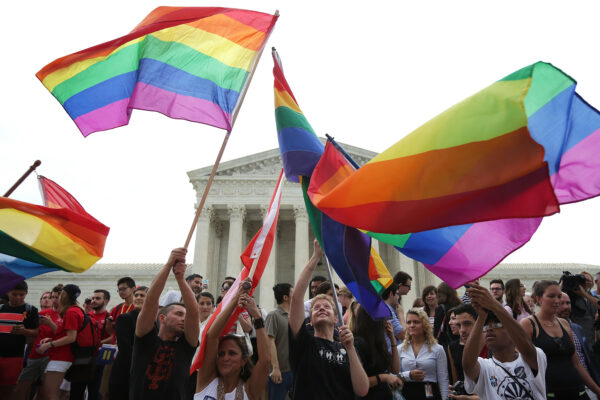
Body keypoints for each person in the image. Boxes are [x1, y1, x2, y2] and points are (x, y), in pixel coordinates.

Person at [289, 239, 369, 399]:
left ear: (335, 319)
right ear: (310, 320)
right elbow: (296, 299)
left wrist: (351, 349)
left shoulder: (346, 348)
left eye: (327, 307)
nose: (321, 309)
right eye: (316, 308)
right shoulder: (305, 343)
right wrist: (315, 256)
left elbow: (362, 389)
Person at [130, 248, 199, 400]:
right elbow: (151, 301)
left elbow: (194, 312)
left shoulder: (186, 346)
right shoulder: (144, 339)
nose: (184, 319)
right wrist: (168, 265)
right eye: (179, 314)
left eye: (185, 316)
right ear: (162, 318)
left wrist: (181, 279)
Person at [463, 283, 547, 400]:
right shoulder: (485, 367)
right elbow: (468, 365)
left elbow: (527, 348)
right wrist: (481, 316)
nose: (490, 329)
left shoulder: (536, 356)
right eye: (486, 327)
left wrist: (494, 305)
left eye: (497, 325)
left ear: (512, 331)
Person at [521, 280, 600, 399]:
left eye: (559, 296)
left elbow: (577, 364)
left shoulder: (564, 324)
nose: (557, 301)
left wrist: (597, 390)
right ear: (538, 299)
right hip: (550, 393)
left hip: (577, 390)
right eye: (551, 296)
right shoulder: (529, 324)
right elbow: (520, 360)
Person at [195, 279, 270, 400]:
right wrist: (235, 299)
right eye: (221, 354)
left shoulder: (249, 390)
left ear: (244, 360)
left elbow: (265, 360)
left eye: (232, 353)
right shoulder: (206, 381)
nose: (225, 358)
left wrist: (257, 316)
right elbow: (211, 337)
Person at [14, 285, 62, 400]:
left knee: (44, 392)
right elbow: (29, 330)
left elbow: (64, 337)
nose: (53, 300)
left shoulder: (67, 315)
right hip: (34, 355)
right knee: (21, 386)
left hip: (51, 357)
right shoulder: (42, 313)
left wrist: (50, 323)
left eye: (56, 297)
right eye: (53, 297)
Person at [38, 284, 84, 400]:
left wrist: (49, 344)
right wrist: (52, 339)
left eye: (61, 294)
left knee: (50, 393)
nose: (58, 297)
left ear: (65, 295)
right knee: (60, 394)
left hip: (62, 358)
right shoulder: (77, 310)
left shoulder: (71, 312)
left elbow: (71, 337)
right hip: (66, 357)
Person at [397, 308, 448, 400]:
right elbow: (394, 375)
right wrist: (409, 375)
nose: (412, 325)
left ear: (424, 325)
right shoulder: (400, 349)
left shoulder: (437, 349)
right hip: (407, 392)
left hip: (430, 392)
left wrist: (445, 398)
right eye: (409, 322)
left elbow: (443, 379)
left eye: (416, 322)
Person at [0, 281, 39, 398]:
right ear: (8, 293)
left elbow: (36, 332)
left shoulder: (30, 310)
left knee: (10, 388)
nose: (18, 298)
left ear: (26, 293)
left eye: (21, 295)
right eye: (14, 294)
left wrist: (24, 331)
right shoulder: (1, 308)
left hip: (15, 356)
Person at [108, 285, 148, 400]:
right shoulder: (125, 318)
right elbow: (125, 349)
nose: (138, 298)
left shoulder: (153, 321)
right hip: (126, 371)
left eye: (142, 295)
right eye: (136, 295)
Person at [70, 289, 111, 400]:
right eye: (93, 298)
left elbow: (114, 336)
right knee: (75, 393)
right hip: (82, 359)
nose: (93, 301)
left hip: (100, 360)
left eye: (98, 298)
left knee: (95, 393)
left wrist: (97, 344)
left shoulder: (109, 317)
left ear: (106, 301)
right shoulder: (84, 316)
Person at [558, 291, 600, 398]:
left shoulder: (577, 328)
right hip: (564, 387)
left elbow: (585, 359)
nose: (566, 307)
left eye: (568, 303)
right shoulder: (544, 330)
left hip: (587, 385)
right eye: (561, 303)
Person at [354, 305, 402, 399]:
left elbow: (395, 369)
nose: (386, 322)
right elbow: (358, 383)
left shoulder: (379, 342)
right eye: (383, 318)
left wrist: (392, 338)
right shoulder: (358, 343)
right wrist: (384, 377)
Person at [265, 283, 294, 400]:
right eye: (293, 292)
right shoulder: (274, 315)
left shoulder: (293, 316)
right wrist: (275, 368)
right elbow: (269, 341)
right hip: (279, 373)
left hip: (293, 371)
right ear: (285, 297)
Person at [434, 282, 461, 347]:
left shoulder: (440, 308)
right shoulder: (460, 306)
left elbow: (437, 330)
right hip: (460, 341)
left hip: (445, 343)